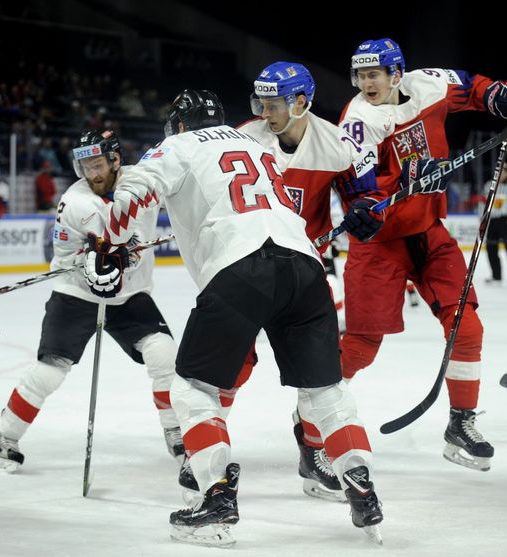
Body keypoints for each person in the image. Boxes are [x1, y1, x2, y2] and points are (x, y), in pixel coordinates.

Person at [97, 90, 383, 547]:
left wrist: (108, 245)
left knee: (192, 388)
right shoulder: (255, 144)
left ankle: (216, 497)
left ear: (181, 124)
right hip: (304, 266)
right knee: (326, 389)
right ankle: (360, 480)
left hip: (240, 267)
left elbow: (132, 189)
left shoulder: (180, 145)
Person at [340, 38, 507, 471]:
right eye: (360, 75)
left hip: (429, 231)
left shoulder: (428, 84)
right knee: (360, 348)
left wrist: (502, 96)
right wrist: (367, 204)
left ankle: (461, 423)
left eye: (374, 74)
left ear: (396, 73)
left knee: (467, 327)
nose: (366, 83)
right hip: (380, 242)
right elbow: (360, 183)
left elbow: (475, 87)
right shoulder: (359, 117)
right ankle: (311, 423)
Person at [0, 130, 185, 473]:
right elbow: (65, 255)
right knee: (50, 371)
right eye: (85, 166)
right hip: (76, 292)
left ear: (115, 161)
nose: (91, 174)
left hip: (130, 295)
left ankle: (176, 431)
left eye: (97, 165)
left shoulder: (142, 183)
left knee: (164, 355)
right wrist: (90, 263)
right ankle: (5, 437)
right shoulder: (75, 203)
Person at [238, 63, 384, 503]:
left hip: (304, 271)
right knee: (231, 363)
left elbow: (366, 197)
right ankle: (200, 453)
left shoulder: (337, 143)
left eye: (275, 103)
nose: (265, 112)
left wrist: (366, 213)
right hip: (245, 266)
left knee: (317, 370)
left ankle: (314, 450)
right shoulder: (244, 138)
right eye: (260, 102)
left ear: (301, 102)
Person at [471, 163, 507, 283]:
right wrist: (482, 218)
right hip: (492, 221)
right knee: (491, 248)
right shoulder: (489, 185)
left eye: (503, 171)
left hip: (506, 220)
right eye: (498, 170)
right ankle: (496, 276)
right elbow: (483, 202)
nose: (500, 173)